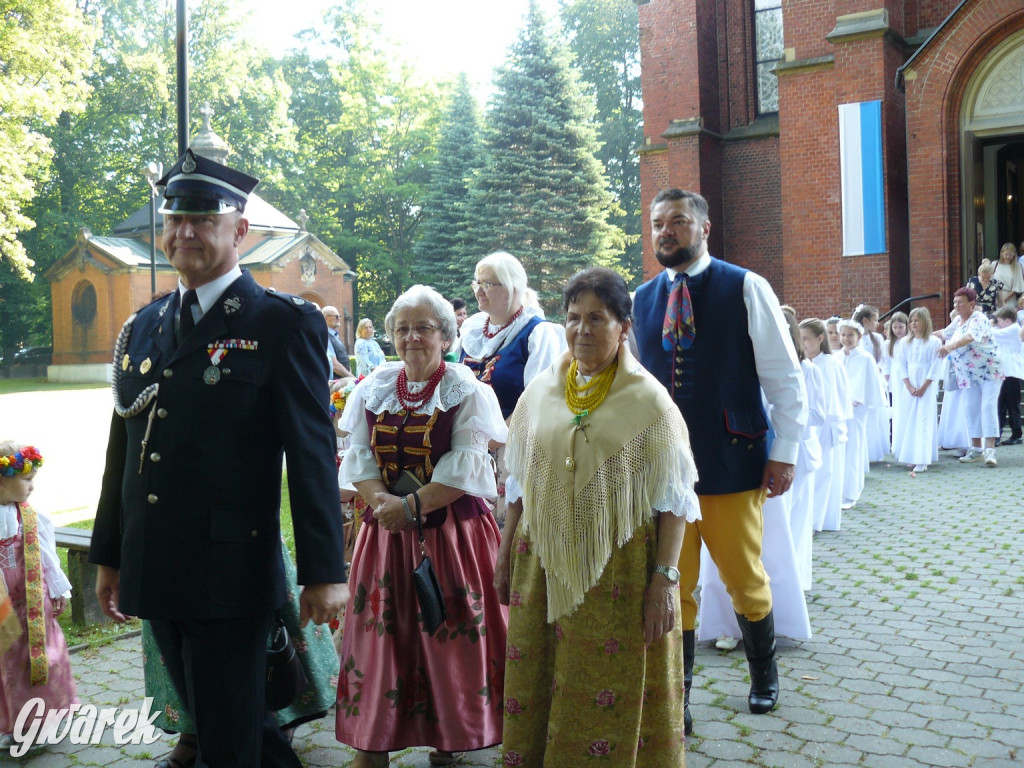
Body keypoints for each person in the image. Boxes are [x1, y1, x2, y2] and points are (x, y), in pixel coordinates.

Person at [89, 148, 348, 768]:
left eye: (203, 220)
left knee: (230, 741)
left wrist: (324, 571)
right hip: (156, 563)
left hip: (229, 572)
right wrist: (110, 553)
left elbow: (311, 453)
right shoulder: (145, 327)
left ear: (240, 230)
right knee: (224, 728)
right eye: (175, 219)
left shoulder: (283, 324)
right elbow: (123, 448)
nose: (184, 232)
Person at [497, 267, 698, 766]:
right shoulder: (541, 391)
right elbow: (518, 485)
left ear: (624, 327)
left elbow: (674, 500)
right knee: (540, 676)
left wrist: (665, 581)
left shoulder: (650, 402)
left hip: (618, 574)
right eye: (573, 318)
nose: (582, 329)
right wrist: (502, 557)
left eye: (597, 319)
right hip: (540, 564)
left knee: (609, 684)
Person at [631, 188, 806, 728]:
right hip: (664, 473)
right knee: (671, 586)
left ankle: (764, 674)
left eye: (678, 221)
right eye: (658, 222)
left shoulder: (746, 286)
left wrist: (785, 451)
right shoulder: (640, 300)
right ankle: (675, 697)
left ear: (703, 227)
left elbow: (784, 377)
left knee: (742, 578)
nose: (666, 231)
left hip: (731, 460)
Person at [335, 285, 509, 768]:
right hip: (385, 533)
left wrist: (409, 507)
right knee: (381, 634)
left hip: (451, 535)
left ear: (446, 335)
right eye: (403, 328)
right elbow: (359, 455)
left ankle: (449, 738)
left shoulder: (468, 390)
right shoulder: (373, 387)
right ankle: (373, 742)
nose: (412, 337)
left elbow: (467, 467)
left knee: (447, 631)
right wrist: (382, 503)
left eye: (424, 327)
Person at [459, 252, 566, 522]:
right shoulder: (471, 331)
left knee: (506, 536)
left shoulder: (538, 333)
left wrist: (492, 438)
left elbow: (537, 401)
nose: (479, 291)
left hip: (514, 451)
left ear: (513, 287)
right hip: (465, 452)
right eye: (477, 283)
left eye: (488, 284)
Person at [0, 443, 77, 753]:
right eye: (27, 479)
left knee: (36, 662)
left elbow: (47, 557)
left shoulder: (31, 517)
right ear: (2, 479)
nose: (32, 486)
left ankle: (35, 723)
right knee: (6, 665)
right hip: (3, 611)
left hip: (32, 605)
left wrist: (59, 589)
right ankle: (10, 723)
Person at [936, 286, 1004, 467]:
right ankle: (976, 450)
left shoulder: (979, 318)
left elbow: (971, 336)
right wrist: (922, 335)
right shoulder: (957, 321)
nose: (956, 306)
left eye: (960, 302)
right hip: (967, 374)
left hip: (988, 370)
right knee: (971, 408)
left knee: (987, 407)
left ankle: (990, 450)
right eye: (954, 302)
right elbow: (944, 333)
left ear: (972, 304)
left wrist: (950, 347)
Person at [799, 319, 851, 534]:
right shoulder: (805, 364)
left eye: (806, 339)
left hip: (827, 424)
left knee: (824, 474)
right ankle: (811, 518)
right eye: (800, 339)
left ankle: (816, 522)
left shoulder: (830, 364)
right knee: (814, 473)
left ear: (820, 339)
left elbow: (838, 397)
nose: (803, 343)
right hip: (811, 426)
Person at [838, 319, 883, 511]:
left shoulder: (865, 358)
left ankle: (851, 492)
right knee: (840, 450)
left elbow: (870, 384)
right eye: (843, 335)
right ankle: (838, 490)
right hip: (838, 410)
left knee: (853, 448)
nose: (846, 339)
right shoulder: (836, 357)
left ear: (859, 336)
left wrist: (858, 399)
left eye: (850, 335)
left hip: (856, 410)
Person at [890, 308, 942, 472]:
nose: (913, 323)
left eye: (916, 320)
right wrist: (909, 385)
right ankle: (911, 455)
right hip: (910, 385)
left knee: (923, 420)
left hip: (925, 385)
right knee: (909, 420)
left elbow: (935, 366)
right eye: (911, 321)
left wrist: (924, 386)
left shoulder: (934, 342)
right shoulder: (905, 342)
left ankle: (922, 458)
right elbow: (900, 365)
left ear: (925, 321)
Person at [852, 304, 890, 462]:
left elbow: (883, 359)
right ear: (865, 320)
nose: (877, 323)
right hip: (859, 379)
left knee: (875, 415)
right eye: (875, 320)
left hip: (874, 378)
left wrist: (879, 370)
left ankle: (875, 451)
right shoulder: (855, 339)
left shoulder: (878, 338)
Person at [992, 306, 1024, 445]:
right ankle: (997, 434)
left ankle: (1016, 434)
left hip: (1012, 372)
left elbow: (994, 334)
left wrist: (989, 324)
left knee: (1012, 404)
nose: (998, 323)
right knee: (1000, 404)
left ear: (1007, 320)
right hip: (1002, 371)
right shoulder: (1006, 330)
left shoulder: (1014, 329)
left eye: (999, 321)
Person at [884, 311, 909, 458]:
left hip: (906, 378)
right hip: (894, 379)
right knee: (896, 411)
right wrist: (886, 381)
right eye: (895, 328)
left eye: (900, 327)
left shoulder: (909, 342)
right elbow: (887, 364)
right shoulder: (888, 344)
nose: (898, 331)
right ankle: (896, 443)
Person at [323, 305, 353, 378]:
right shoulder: (325, 336)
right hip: (336, 381)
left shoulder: (335, 335)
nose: (339, 318)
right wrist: (352, 377)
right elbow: (335, 365)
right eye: (336, 316)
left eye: (339, 316)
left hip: (344, 379)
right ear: (326, 318)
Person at [993, 243, 1024, 308]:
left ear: (1014, 254)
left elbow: (1017, 286)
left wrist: (1004, 300)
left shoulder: (1017, 266)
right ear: (1002, 253)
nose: (1008, 257)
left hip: (1009, 299)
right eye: (1006, 254)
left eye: (1010, 255)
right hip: (995, 298)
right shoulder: (994, 264)